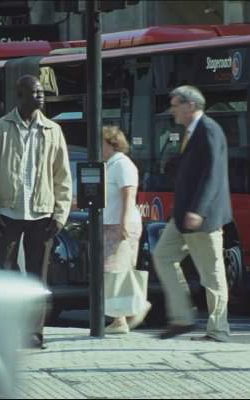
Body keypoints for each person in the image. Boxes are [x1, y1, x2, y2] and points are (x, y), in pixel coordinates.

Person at [0, 75, 73, 349]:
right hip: (7, 214)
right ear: (20, 96)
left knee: (37, 279)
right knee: (4, 273)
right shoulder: (0, 129)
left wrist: (60, 215)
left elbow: (62, 176)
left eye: (42, 92)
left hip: (42, 214)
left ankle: (34, 334)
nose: (41, 95)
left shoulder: (53, 130)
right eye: (35, 92)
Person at [152, 85, 233, 342]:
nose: (172, 111)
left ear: (191, 106)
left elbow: (213, 175)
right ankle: (182, 317)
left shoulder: (209, 130)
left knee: (212, 274)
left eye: (176, 105)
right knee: (162, 255)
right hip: (183, 216)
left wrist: (198, 210)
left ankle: (218, 329)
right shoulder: (190, 131)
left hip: (202, 218)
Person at [101, 126, 151, 335]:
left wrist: (123, 224)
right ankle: (132, 308)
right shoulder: (110, 165)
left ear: (111, 143)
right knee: (120, 270)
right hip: (112, 223)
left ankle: (121, 318)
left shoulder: (122, 165)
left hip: (120, 224)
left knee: (112, 270)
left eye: (100, 143)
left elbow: (128, 195)